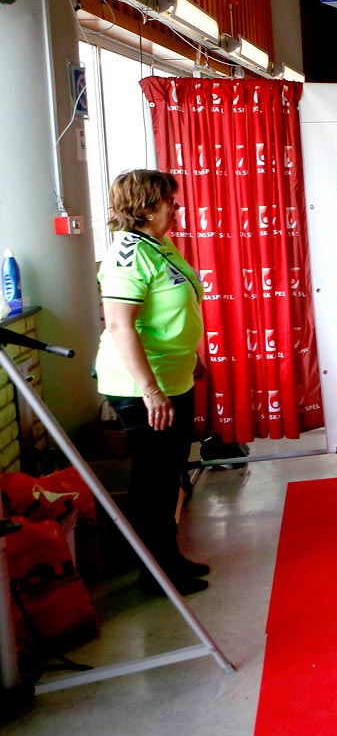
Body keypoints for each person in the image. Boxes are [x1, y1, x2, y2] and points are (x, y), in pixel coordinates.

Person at [95, 169, 210, 597]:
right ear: (144, 208)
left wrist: (191, 356)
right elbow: (121, 327)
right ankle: (155, 574)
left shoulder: (159, 246)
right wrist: (150, 390)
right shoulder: (128, 254)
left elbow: (174, 308)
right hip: (142, 387)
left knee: (168, 475)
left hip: (173, 375)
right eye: (169, 201)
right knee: (153, 479)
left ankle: (167, 559)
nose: (176, 208)